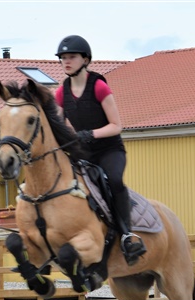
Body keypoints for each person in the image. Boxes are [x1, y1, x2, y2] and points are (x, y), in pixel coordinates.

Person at [54, 35, 147, 266]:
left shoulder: (99, 86)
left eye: (72, 57)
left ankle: (127, 235)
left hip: (109, 150)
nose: (66, 61)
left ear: (85, 60)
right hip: (83, 152)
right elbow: (58, 125)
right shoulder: (61, 92)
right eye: (63, 58)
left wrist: (90, 134)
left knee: (114, 180)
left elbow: (116, 126)